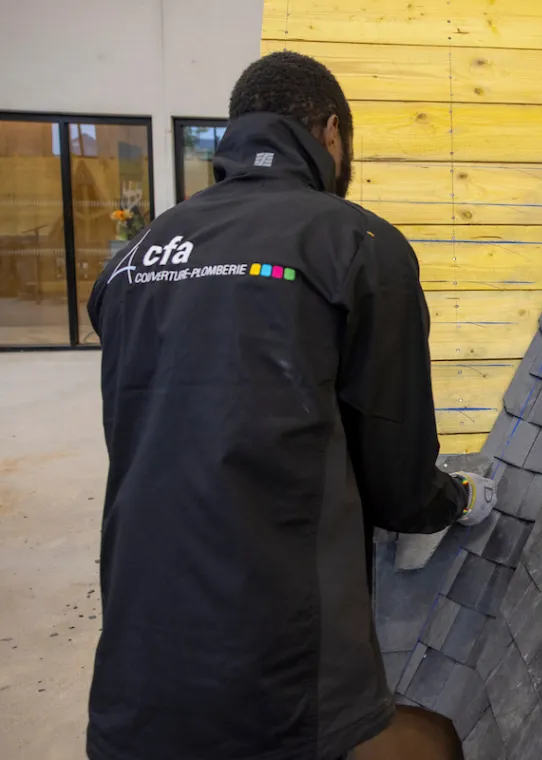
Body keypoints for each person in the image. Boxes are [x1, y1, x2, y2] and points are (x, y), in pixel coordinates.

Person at [85, 51, 496, 760]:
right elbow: (396, 484)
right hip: (276, 668)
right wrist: (455, 498)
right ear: (331, 132)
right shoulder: (360, 246)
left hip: (138, 649)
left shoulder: (135, 258)